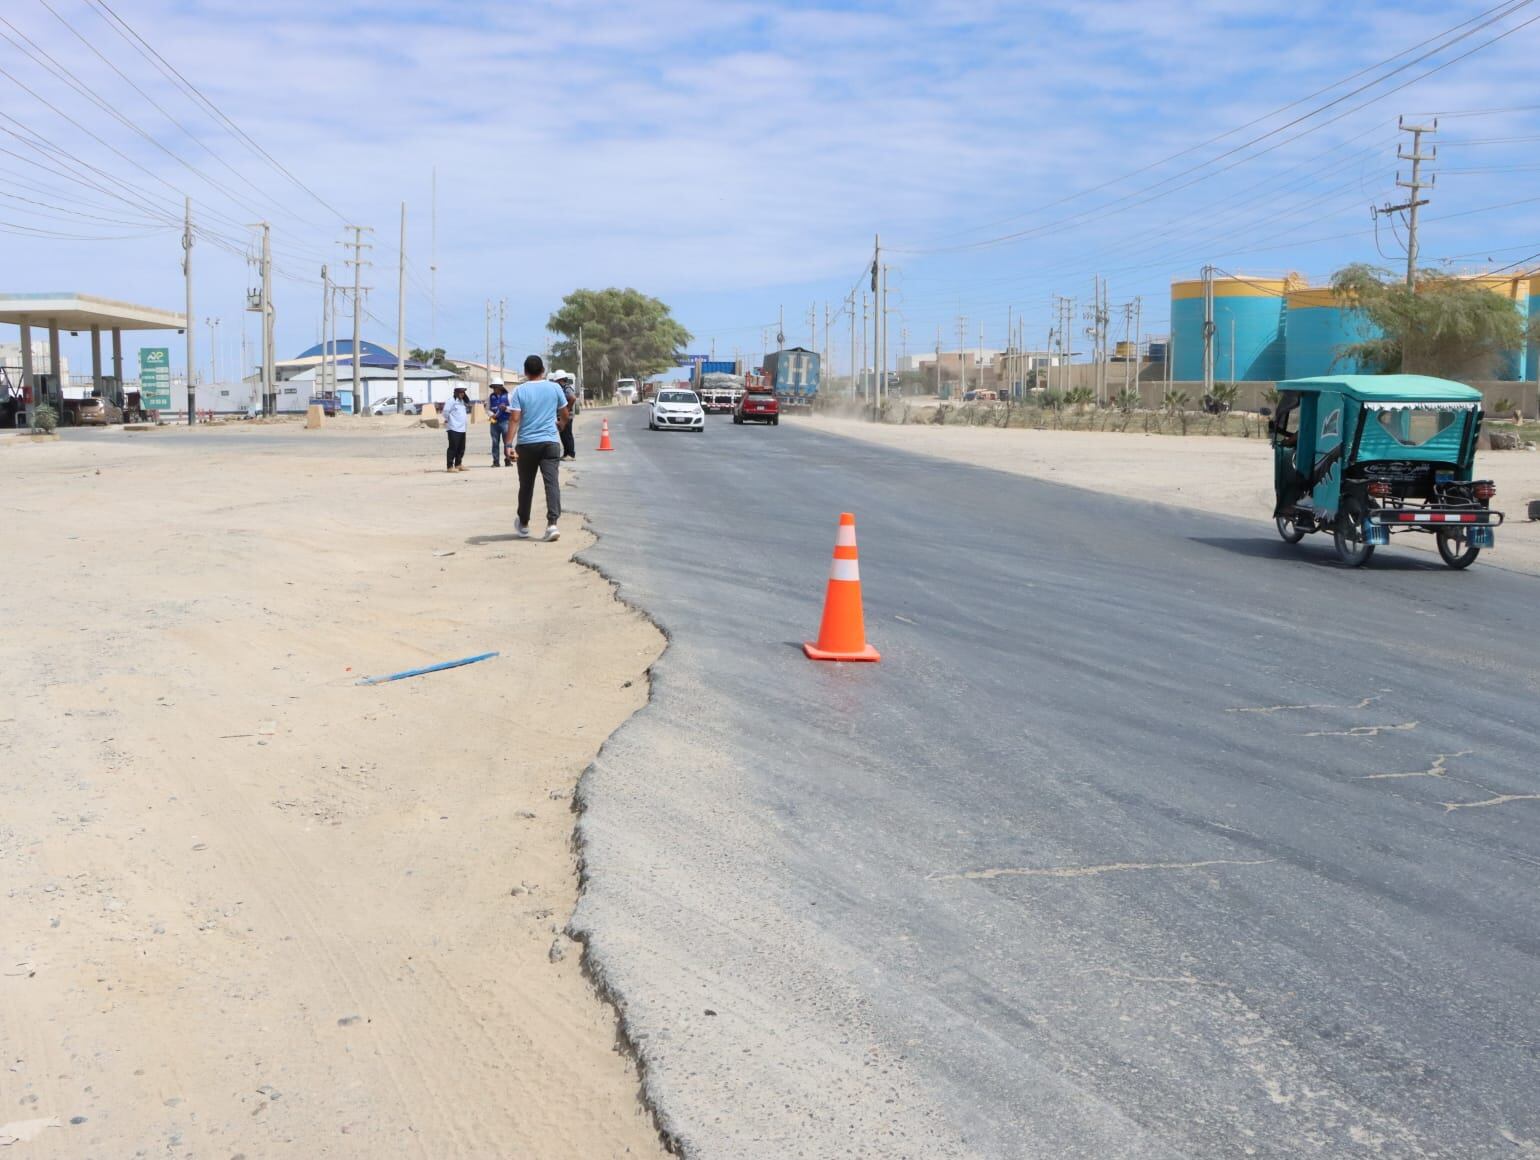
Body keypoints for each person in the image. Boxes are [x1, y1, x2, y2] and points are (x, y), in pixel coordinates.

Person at [508, 355, 570, 541]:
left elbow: (515, 419)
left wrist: (508, 444)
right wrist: (561, 425)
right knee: (552, 484)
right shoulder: (554, 387)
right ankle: (552, 524)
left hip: (526, 444)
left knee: (526, 486)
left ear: (526, 372)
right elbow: (565, 413)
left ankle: (524, 524)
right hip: (550, 443)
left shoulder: (520, 391)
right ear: (543, 370)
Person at [442, 387, 470, 472]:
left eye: (463, 392)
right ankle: (449, 466)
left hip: (462, 428)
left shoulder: (462, 401)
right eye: (461, 392)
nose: (463, 394)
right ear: (456, 392)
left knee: (461, 448)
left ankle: (458, 464)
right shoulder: (451, 401)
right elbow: (445, 412)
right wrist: (448, 420)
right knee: (453, 448)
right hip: (453, 428)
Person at [487, 381, 513, 467]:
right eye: (493, 387)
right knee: (495, 442)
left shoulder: (508, 396)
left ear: (501, 387)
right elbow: (487, 409)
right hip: (494, 423)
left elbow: (513, 409)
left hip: (505, 421)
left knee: (507, 442)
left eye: (496, 387)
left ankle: (508, 460)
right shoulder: (491, 397)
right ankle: (496, 461)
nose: (494, 389)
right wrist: (491, 415)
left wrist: (506, 408)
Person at [554, 372, 578, 460]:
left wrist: (567, 410)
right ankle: (566, 453)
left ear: (560, 380)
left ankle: (571, 454)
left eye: (556, 381)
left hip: (567, 416)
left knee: (567, 435)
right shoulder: (561, 388)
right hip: (562, 415)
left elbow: (573, 398)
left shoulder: (567, 388)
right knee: (563, 435)